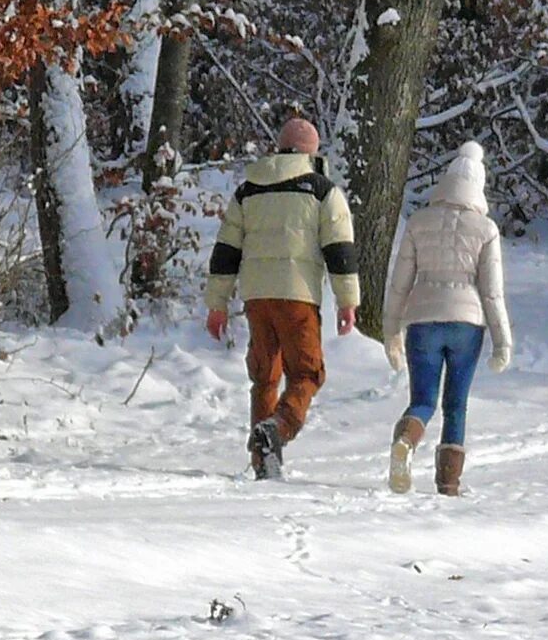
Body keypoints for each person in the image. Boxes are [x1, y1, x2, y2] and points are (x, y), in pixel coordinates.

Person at [206, 116, 360, 480]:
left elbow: (226, 251)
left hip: (257, 296)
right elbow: (340, 250)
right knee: (307, 373)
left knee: (265, 376)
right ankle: (279, 427)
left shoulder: (248, 191)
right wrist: (347, 301)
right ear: (313, 152)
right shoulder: (323, 191)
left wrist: (217, 304)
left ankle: (264, 462)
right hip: (298, 295)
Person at [381, 140, 512, 496]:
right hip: (467, 326)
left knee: (423, 400)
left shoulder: (419, 222)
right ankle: (448, 484)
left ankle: (406, 442)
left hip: (422, 320)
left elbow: (398, 283)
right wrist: (502, 342)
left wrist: (391, 330)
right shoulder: (485, 229)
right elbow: (492, 292)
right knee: (456, 405)